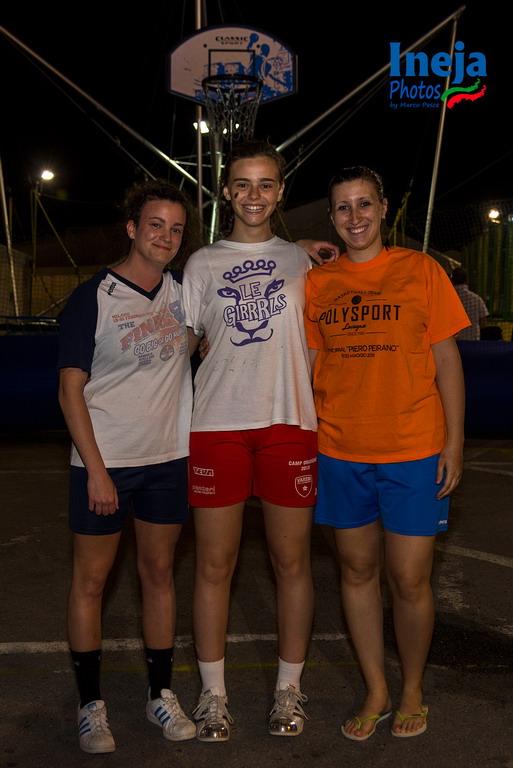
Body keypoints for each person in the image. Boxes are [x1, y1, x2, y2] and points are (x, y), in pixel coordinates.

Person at [304, 166, 470, 740]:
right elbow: (307, 364)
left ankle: (412, 688)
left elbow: (447, 359)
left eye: (364, 204)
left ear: (383, 208)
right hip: (339, 449)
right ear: (331, 217)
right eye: (343, 207)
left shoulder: (421, 270)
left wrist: (455, 442)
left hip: (414, 448)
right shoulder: (317, 283)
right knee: (356, 571)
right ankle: (376, 687)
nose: (355, 217)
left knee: (410, 578)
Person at [182, 140, 336, 741]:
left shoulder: (303, 262)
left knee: (291, 563)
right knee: (214, 565)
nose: (254, 195)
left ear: (280, 191)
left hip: (288, 423)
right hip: (216, 424)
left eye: (265, 184)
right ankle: (212, 695)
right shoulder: (201, 264)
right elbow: (181, 348)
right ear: (226, 191)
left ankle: (288, 689)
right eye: (242, 184)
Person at [58, 180, 200, 753]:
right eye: (155, 224)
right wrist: (96, 470)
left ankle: (159, 694)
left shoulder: (185, 292)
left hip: (168, 458)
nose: (165, 236)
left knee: (159, 575)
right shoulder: (92, 297)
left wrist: (304, 247)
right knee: (91, 582)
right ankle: (91, 706)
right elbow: (70, 391)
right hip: (106, 462)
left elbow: (244, 272)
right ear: (132, 227)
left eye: (176, 228)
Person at [451, 266, 489, 339]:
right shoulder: (477, 299)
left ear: (452, 281)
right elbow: (483, 323)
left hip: (453, 342)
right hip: (472, 341)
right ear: (467, 281)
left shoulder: (448, 298)